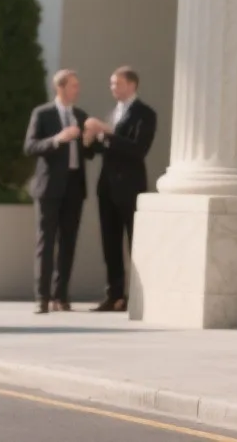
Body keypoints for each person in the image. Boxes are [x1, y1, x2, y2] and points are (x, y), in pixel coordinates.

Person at [82, 66, 156, 312]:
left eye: (117, 83)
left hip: (130, 186)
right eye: (111, 83)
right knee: (110, 243)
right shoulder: (114, 112)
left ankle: (138, 296)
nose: (113, 87)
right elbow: (104, 149)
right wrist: (91, 141)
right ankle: (114, 295)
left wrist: (106, 133)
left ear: (132, 85)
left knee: (134, 240)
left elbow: (138, 149)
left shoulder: (145, 114)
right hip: (107, 187)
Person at [24, 69, 91, 314]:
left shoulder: (81, 116)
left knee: (69, 243)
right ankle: (42, 298)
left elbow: (89, 153)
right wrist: (57, 139)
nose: (77, 90)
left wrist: (90, 139)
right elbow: (30, 146)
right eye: (74, 86)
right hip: (49, 186)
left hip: (75, 186)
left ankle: (60, 296)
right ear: (60, 87)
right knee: (46, 242)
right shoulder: (42, 113)